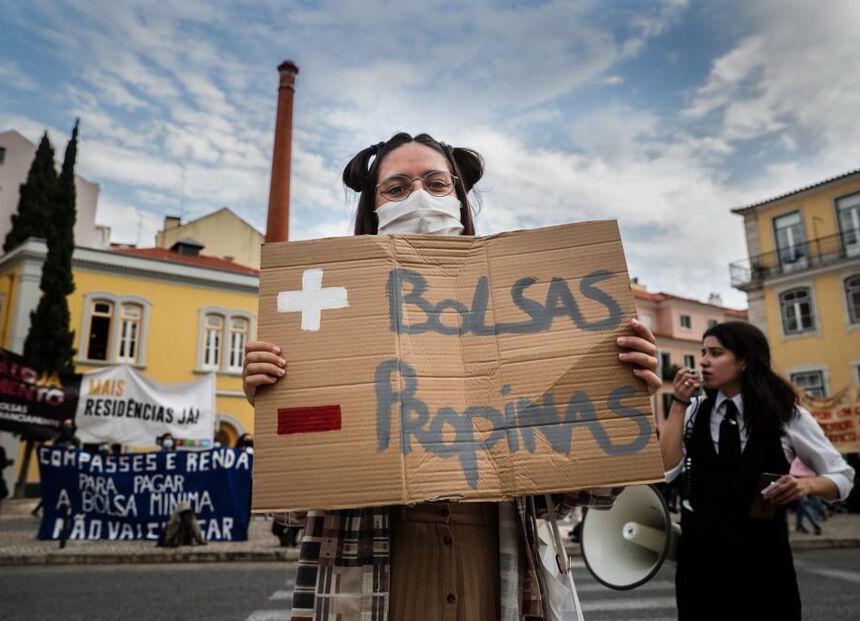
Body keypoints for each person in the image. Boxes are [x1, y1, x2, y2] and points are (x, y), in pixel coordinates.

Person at [244, 132, 662, 620]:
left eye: (437, 184)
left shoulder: (517, 304)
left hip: (498, 576)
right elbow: (292, 510)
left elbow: (580, 492)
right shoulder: (322, 317)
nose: (419, 197)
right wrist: (275, 408)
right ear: (371, 207)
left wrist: (625, 394)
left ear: (460, 198)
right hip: (377, 580)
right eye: (396, 188)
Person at [659, 321, 855, 621]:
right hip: (701, 567)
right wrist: (678, 404)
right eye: (703, 352)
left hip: (763, 565)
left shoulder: (786, 414)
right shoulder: (694, 410)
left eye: (716, 353)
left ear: (745, 360)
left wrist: (806, 486)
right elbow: (666, 471)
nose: (703, 361)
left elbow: (842, 477)